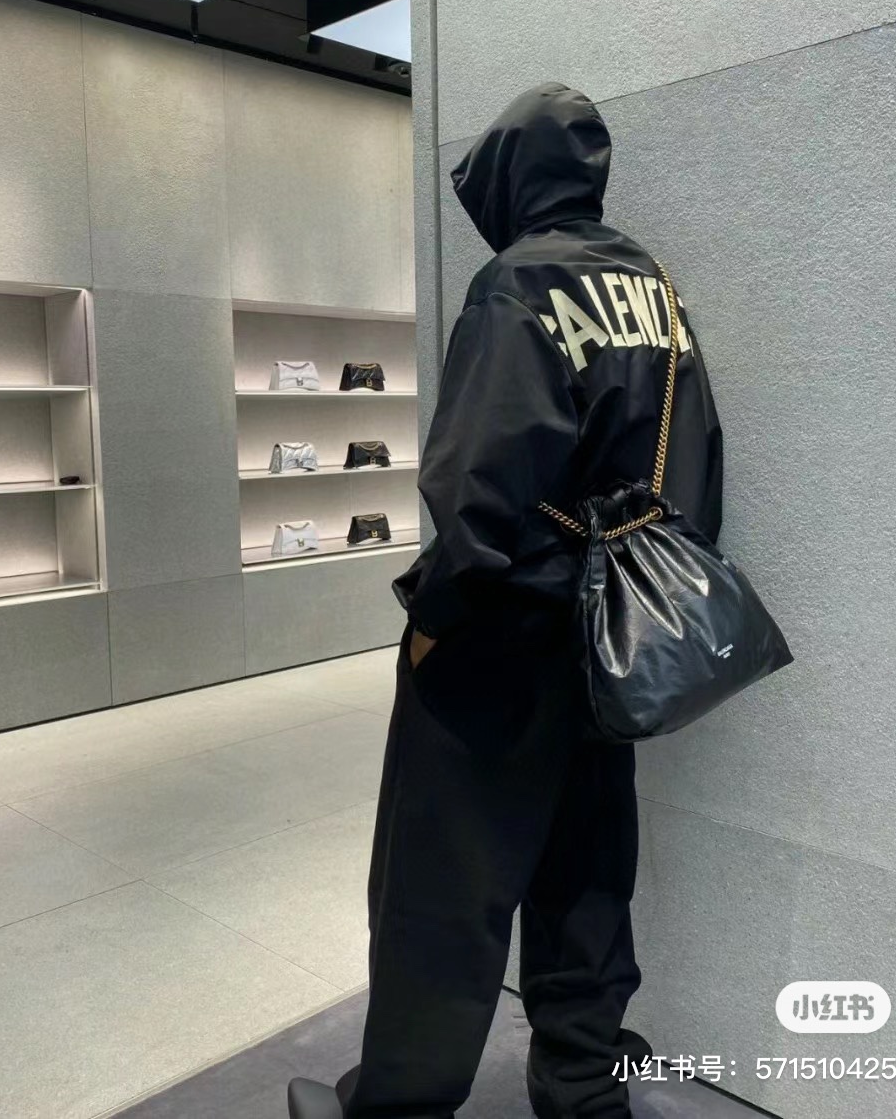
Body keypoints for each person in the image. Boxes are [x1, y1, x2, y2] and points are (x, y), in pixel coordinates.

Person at [289, 83, 724, 1119]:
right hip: (614, 639)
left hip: (503, 639)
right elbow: (700, 465)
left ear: (513, 178)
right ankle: (583, 1088)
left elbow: (477, 484)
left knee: (442, 890)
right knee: (587, 874)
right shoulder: (656, 288)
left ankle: (399, 1106)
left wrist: (435, 623)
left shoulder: (516, 285)